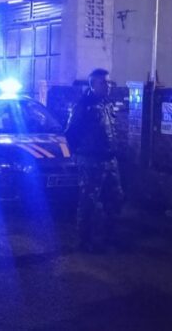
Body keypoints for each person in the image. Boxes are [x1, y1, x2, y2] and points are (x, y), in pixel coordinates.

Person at [65, 68, 124, 252]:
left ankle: (109, 239)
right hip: (91, 161)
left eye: (108, 82)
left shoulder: (107, 104)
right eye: (103, 82)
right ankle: (84, 242)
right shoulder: (83, 106)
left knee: (114, 200)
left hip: (110, 160)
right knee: (88, 202)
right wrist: (79, 155)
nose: (107, 86)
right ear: (92, 85)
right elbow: (70, 133)